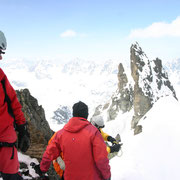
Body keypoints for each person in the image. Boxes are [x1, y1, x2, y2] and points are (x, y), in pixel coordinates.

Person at [35, 101, 111, 180]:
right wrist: (107, 176)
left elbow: (49, 153)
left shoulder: (60, 134)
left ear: (73, 114)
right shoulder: (94, 133)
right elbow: (101, 159)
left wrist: (42, 169)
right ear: (87, 115)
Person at [0, 30, 30, 180]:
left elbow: (14, 103)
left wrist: (22, 128)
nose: (0, 57)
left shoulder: (0, 77)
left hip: (6, 144)